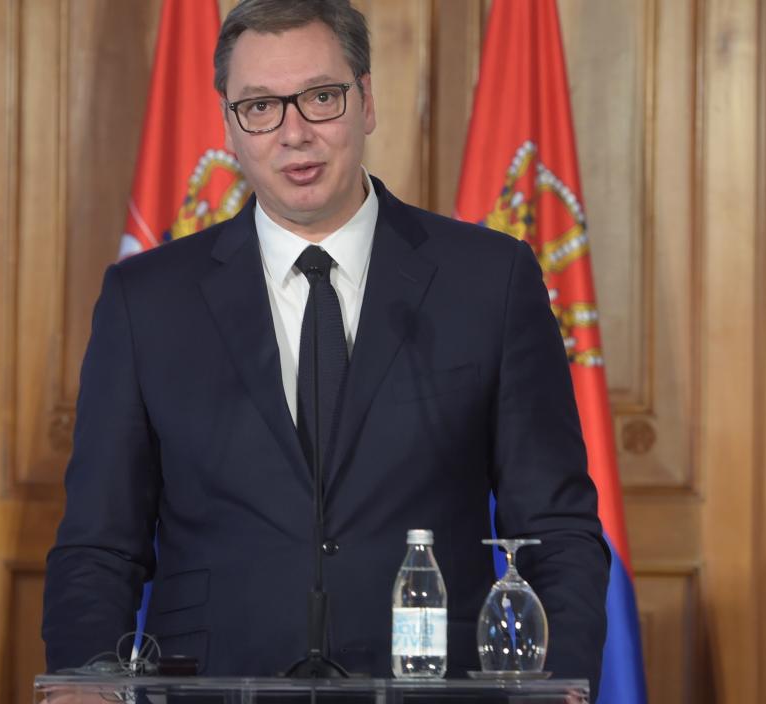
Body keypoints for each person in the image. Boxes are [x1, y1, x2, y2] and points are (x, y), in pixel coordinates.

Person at [42, 0, 610, 693]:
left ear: (365, 100)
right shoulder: (147, 300)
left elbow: (557, 527)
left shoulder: (490, 280)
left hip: (431, 685)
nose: (294, 133)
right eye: (260, 107)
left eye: (320, 98)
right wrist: (83, 681)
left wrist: (563, 685)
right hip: (212, 684)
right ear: (229, 122)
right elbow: (99, 546)